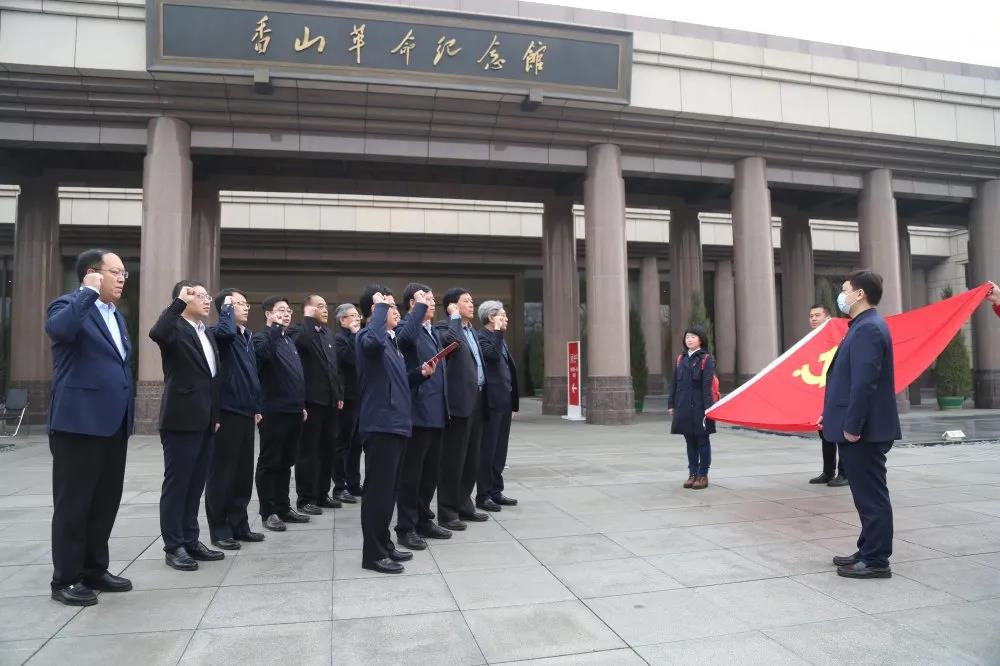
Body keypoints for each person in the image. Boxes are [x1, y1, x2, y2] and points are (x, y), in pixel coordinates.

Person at [46, 249, 134, 606]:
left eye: (124, 272)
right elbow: (60, 331)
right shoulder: (67, 304)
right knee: (74, 504)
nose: (123, 277)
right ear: (91, 274)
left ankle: (95, 568)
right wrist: (86, 293)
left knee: (104, 502)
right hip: (79, 424)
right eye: (116, 271)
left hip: (113, 425)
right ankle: (65, 578)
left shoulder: (117, 316)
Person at [822, 270, 901, 579]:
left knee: (871, 497)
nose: (841, 296)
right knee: (865, 495)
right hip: (858, 426)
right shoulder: (861, 326)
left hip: (864, 432)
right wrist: (831, 415)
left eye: (845, 290)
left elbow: (864, 384)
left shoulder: (868, 328)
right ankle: (867, 548)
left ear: (859, 294)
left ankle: (877, 559)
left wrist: (851, 425)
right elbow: (846, 381)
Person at [356, 285, 437, 573]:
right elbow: (372, 342)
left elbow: (397, 381)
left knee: (389, 492)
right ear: (373, 312)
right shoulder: (368, 336)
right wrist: (380, 305)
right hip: (381, 426)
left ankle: (385, 544)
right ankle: (373, 555)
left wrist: (419, 375)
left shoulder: (391, 343)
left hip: (398, 425)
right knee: (378, 493)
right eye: (388, 308)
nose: (395, 312)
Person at [149, 280, 226, 572]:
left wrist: (215, 415)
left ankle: (191, 540)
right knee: (178, 484)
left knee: (195, 485)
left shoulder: (204, 332)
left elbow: (213, 378)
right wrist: (178, 302)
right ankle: (174, 546)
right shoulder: (174, 328)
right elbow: (156, 332)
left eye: (208, 296)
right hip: (181, 419)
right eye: (200, 296)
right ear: (183, 299)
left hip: (206, 419)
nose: (207, 301)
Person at [205, 289, 265, 551]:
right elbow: (225, 333)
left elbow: (252, 374)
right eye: (238, 303)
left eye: (245, 302)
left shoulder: (248, 336)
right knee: (223, 474)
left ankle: (239, 524)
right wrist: (227, 309)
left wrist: (256, 405)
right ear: (226, 308)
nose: (246, 307)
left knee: (242, 474)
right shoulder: (220, 333)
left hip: (246, 411)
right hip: (227, 412)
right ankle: (220, 530)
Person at [395, 283, 453, 550]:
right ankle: (406, 527)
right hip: (417, 413)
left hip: (436, 412)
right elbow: (404, 340)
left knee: (430, 473)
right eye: (424, 299)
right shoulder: (407, 328)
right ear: (412, 303)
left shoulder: (431, 331)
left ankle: (423, 519)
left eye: (432, 299)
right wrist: (417, 310)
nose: (432, 303)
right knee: (411, 474)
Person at [253, 296, 310, 532]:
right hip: (273, 411)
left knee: (287, 462)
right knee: (270, 462)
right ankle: (269, 512)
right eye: (280, 311)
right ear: (267, 314)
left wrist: (301, 404)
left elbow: (294, 375)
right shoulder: (262, 337)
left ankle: (284, 506)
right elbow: (262, 358)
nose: (286, 314)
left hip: (294, 410)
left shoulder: (288, 341)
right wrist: (275, 329)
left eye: (288, 311)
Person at [434, 288, 488, 530]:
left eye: (472, 300)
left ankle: (464, 504)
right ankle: (447, 511)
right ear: (451, 307)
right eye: (466, 301)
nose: (471, 304)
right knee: (453, 459)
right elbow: (451, 345)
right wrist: (455, 318)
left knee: (471, 459)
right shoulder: (444, 328)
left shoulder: (473, 332)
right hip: (458, 404)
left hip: (477, 399)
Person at [290, 294, 344, 515]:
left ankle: (322, 494)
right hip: (311, 401)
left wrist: (338, 394)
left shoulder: (328, 334)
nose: (325, 309)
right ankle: (306, 498)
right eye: (319, 306)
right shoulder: (301, 331)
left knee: (328, 450)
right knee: (308, 451)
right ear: (307, 309)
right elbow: (303, 341)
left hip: (330, 401)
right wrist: (309, 320)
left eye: (325, 306)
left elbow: (334, 368)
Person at [476, 300, 520, 512]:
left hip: (504, 402)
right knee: (488, 449)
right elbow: (491, 357)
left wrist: (512, 402)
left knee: (500, 449)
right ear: (491, 317)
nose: (506, 319)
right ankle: (483, 494)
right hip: (491, 403)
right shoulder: (482, 337)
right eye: (502, 315)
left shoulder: (499, 339)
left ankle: (496, 490)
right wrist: (497, 332)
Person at [668, 325, 716, 490]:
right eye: (687, 336)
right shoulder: (680, 358)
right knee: (689, 441)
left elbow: (707, 386)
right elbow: (674, 383)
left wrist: (708, 409)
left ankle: (703, 475)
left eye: (693, 337)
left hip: (701, 407)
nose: (689, 339)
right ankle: (692, 474)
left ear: (700, 340)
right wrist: (671, 403)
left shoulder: (706, 359)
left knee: (702, 441)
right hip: (683, 406)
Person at [807, 304, 848, 488]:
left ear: (828, 318)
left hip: (837, 392)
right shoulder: (810, 341)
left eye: (817, 315)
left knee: (839, 433)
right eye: (811, 316)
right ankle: (828, 471)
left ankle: (844, 473)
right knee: (825, 432)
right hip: (819, 392)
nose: (813, 318)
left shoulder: (839, 338)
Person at [332, 303, 363, 502]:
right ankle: (340, 486)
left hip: (361, 397)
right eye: (352, 316)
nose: (357, 319)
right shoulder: (339, 339)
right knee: (342, 443)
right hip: (347, 398)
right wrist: (354, 334)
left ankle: (353, 483)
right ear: (343, 320)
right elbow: (352, 360)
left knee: (356, 444)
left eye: (358, 315)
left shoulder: (359, 336)